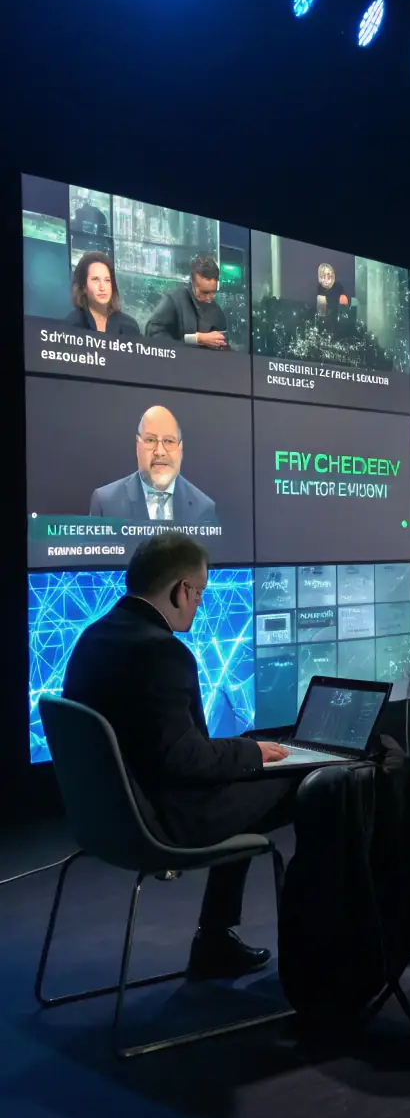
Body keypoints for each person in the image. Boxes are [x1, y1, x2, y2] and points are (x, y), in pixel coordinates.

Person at [62, 534, 300, 979]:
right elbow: (183, 759)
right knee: (307, 779)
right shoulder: (161, 651)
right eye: (201, 594)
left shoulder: (94, 637)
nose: (199, 606)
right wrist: (251, 753)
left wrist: (245, 752)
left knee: (250, 765)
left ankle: (215, 940)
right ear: (181, 590)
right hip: (164, 821)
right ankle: (320, 949)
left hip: (107, 819)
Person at [89, 405, 218, 525]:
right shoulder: (106, 503)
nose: (160, 452)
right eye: (150, 440)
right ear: (137, 445)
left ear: (180, 449)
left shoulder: (203, 508)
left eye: (168, 441)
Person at [147, 254, 230, 348]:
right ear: (192, 283)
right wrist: (196, 339)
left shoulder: (217, 313)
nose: (209, 297)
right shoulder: (173, 301)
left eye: (213, 292)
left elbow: (224, 348)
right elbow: (153, 336)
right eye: (204, 292)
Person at [65, 251, 141, 337]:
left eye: (107, 280)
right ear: (83, 287)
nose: (102, 287)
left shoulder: (130, 326)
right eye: (95, 280)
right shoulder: (73, 324)